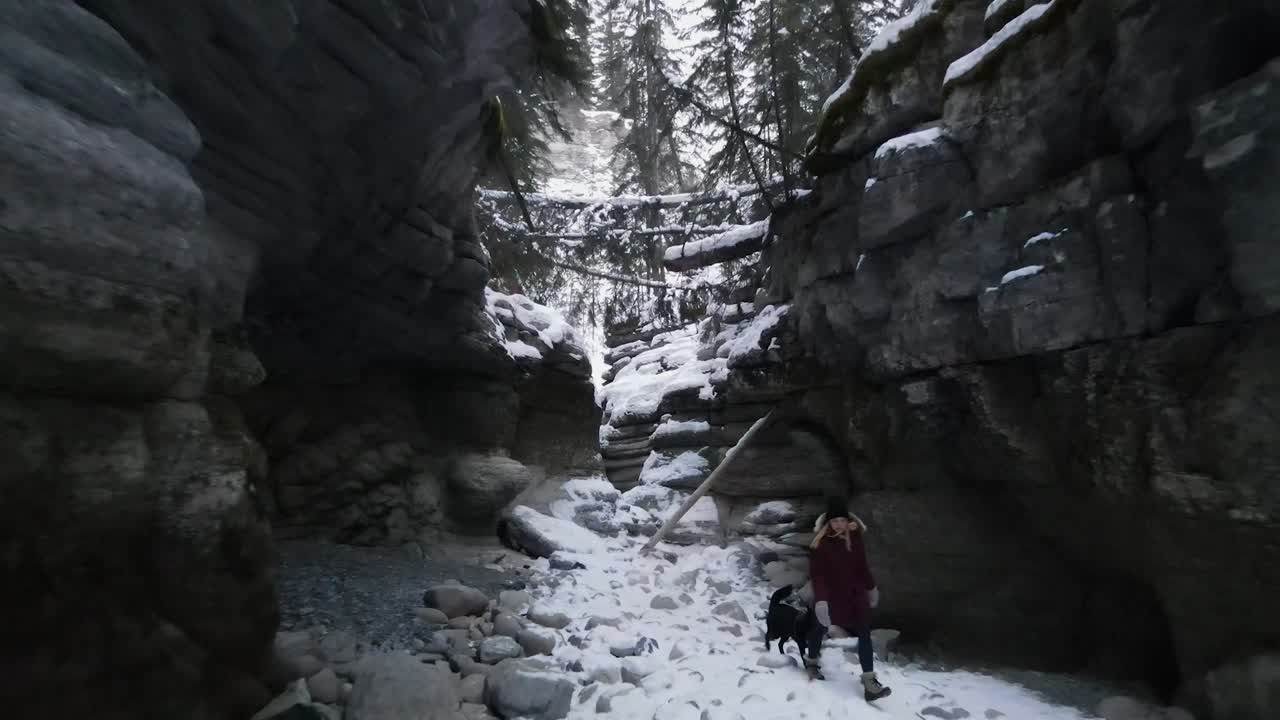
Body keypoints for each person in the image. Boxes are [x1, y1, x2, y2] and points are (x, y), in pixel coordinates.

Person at [804, 497, 892, 701]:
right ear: (828, 522)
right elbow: (817, 576)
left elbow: (862, 567)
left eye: (842, 520)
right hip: (831, 595)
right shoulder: (820, 544)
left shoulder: (856, 538)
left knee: (864, 632)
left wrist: (871, 588)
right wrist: (821, 601)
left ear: (848, 520)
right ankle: (812, 662)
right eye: (835, 521)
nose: (839, 524)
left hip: (855, 595)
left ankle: (870, 683)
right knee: (819, 627)